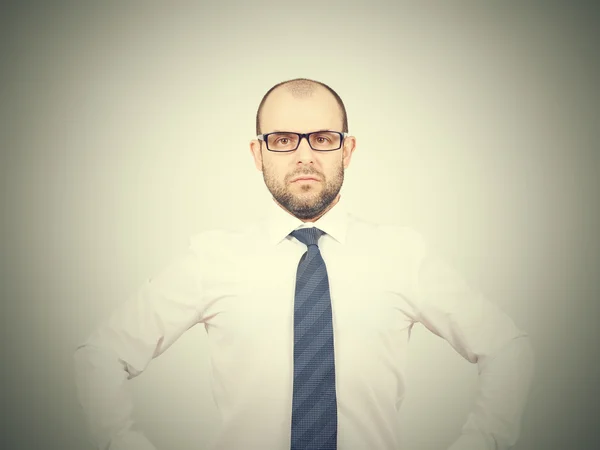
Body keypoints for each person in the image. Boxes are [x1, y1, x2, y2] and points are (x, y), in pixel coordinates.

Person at [73, 78, 535, 450]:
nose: (304, 155)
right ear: (258, 154)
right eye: (282, 139)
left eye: (322, 137)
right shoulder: (211, 258)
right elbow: (101, 356)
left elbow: (507, 348)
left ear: (347, 150)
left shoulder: (403, 255)